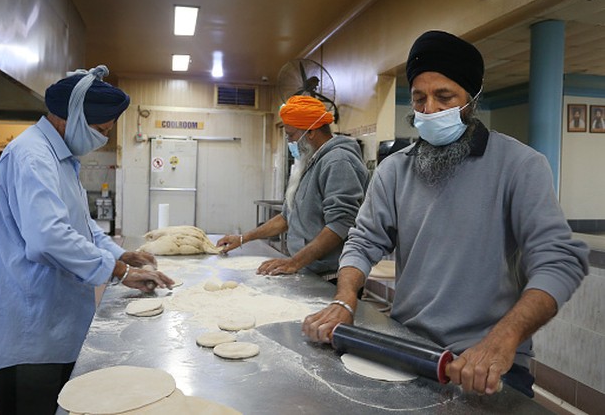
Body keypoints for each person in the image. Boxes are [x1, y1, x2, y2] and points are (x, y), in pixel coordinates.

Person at [302, 31, 589, 398]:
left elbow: (557, 264)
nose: (430, 110)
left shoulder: (520, 166)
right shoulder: (394, 171)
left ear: (471, 99)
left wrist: (503, 339)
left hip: (486, 363)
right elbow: (363, 240)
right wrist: (345, 297)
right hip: (408, 350)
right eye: (420, 99)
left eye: (444, 97)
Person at [0, 65, 174, 415]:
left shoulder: (62, 160)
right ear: (70, 118)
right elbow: (48, 238)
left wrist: (122, 254)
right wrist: (117, 271)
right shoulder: (32, 156)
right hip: (31, 334)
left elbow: (84, 228)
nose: (103, 138)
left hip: (57, 328)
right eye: (99, 130)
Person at [217, 95, 369, 279]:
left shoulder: (338, 161)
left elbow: (339, 225)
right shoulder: (311, 162)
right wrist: (243, 238)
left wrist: (294, 262)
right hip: (309, 269)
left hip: (331, 276)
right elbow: (286, 218)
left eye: (291, 135)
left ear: (311, 131)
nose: (290, 142)